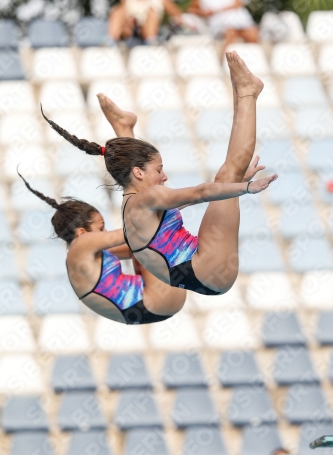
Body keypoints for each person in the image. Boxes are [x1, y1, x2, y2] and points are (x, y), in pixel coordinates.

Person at [40, 51, 277, 296]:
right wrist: (245, 187)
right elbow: (201, 192)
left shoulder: (134, 205)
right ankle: (247, 92)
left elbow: (186, 203)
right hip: (205, 268)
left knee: (229, 176)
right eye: (159, 169)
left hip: (202, 273)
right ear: (138, 173)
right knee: (229, 172)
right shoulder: (146, 199)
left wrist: (237, 183)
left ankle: (242, 90)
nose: (164, 176)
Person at [18, 172, 186, 325]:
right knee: (145, 225)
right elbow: (135, 232)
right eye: (101, 228)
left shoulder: (86, 257)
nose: (105, 233)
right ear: (82, 232)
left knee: (146, 237)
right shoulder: (81, 245)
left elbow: (133, 246)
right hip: (152, 302)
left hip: (150, 309)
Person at [187, 0, 258, 50]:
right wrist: (204, 13)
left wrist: (215, 11)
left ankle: (251, 64)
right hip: (220, 24)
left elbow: (238, 4)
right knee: (231, 32)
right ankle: (227, 63)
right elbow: (192, 10)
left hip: (241, 21)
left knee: (252, 33)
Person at [107, 0, 183, 45]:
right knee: (118, 12)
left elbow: (177, 15)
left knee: (151, 13)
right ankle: (111, 42)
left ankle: (150, 42)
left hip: (149, 29)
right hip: (129, 28)